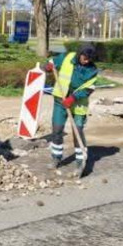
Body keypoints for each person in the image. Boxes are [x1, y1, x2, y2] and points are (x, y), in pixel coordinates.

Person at [44, 45, 100, 175]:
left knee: (77, 131)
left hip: (78, 104)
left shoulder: (92, 70)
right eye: (85, 58)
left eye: (89, 59)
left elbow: (88, 89)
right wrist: (48, 66)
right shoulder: (67, 57)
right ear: (80, 54)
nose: (86, 61)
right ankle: (56, 158)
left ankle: (80, 161)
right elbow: (52, 62)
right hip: (60, 100)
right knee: (57, 130)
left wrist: (73, 98)